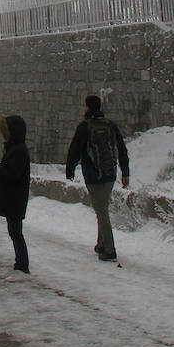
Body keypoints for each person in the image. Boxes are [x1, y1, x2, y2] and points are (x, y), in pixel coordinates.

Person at [64, 94, 130, 264]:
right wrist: (125, 172)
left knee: (101, 211)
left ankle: (109, 249)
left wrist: (70, 169)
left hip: (93, 175)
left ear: (87, 107)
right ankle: (101, 244)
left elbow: (75, 150)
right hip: (110, 172)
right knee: (102, 209)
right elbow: (121, 148)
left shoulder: (85, 126)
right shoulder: (110, 125)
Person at [0, 113, 31, 280]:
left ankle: (22, 267)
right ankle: (20, 264)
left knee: (16, 232)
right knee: (15, 232)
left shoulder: (18, 151)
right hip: (14, 197)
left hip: (15, 198)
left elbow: (12, 174)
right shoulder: (16, 148)